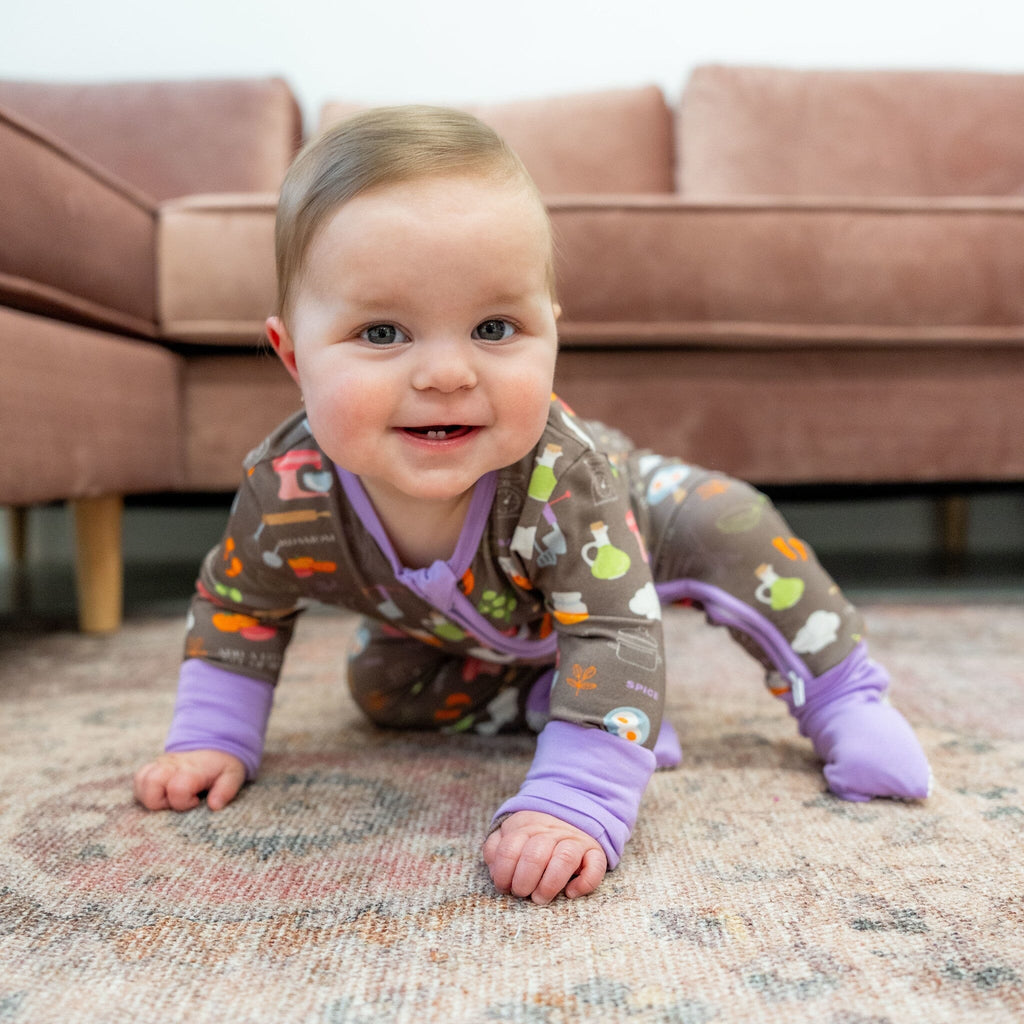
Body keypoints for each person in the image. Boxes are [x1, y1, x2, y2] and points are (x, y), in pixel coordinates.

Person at [134, 106, 932, 905]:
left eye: (493, 326)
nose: (446, 373)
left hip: (634, 542)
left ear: (551, 332)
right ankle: (564, 695)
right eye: (382, 333)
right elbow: (239, 607)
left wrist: (574, 804)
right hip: (482, 629)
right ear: (292, 354)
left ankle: (841, 695)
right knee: (381, 689)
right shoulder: (285, 493)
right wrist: (212, 739)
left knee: (733, 523)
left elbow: (616, 627)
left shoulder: (560, 475)